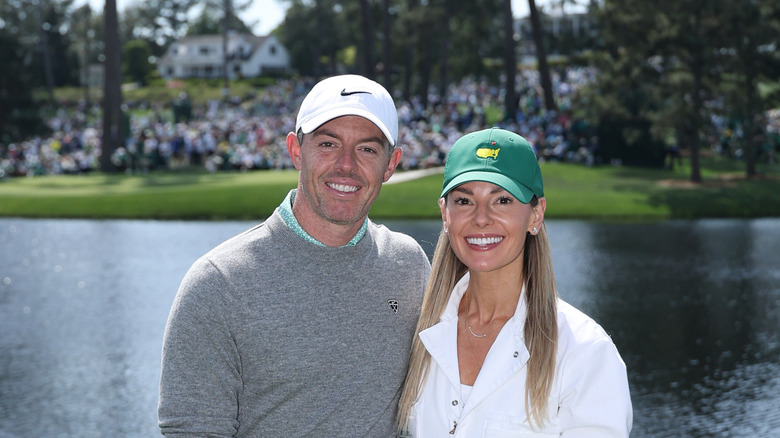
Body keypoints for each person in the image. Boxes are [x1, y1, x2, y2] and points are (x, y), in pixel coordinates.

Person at [158, 74, 432, 437]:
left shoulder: (408, 264)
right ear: (296, 151)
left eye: (367, 149)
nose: (346, 165)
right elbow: (191, 429)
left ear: (391, 164)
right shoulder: (218, 282)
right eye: (328, 143)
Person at [397, 128, 632, 437]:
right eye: (464, 200)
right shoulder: (415, 331)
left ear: (536, 214)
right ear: (445, 213)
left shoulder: (584, 351)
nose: (481, 218)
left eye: (503, 200)